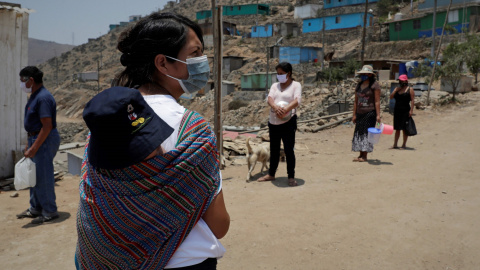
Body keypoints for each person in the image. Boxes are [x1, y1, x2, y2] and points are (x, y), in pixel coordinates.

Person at [76, 13, 230, 270]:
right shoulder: (194, 131)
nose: (203, 62)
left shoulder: (108, 121)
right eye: (195, 53)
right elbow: (219, 225)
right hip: (187, 263)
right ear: (163, 63)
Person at [16, 66, 61, 224]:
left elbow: (47, 126)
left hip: (44, 139)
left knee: (43, 175)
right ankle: (35, 208)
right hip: (35, 138)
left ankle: (50, 211)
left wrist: (34, 147)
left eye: (22, 80)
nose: (21, 84)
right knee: (33, 174)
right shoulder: (34, 96)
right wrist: (29, 145)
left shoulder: (43, 98)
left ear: (31, 80)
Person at [257, 62, 301, 187]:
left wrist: (285, 109)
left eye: (281, 74)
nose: (279, 76)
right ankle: (271, 174)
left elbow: (297, 100)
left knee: (289, 150)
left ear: (289, 73)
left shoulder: (296, 85)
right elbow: (269, 98)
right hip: (274, 121)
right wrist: (276, 107)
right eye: (278, 74)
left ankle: (291, 177)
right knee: (274, 149)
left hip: (288, 122)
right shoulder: (275, 86)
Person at [351, 65, 381, 162]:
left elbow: (377, 101)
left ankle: (365, 155)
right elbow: (356, 101)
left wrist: (378, 115)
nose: (364, 75)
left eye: (366, 73)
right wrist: (354, 114)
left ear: (370, 75)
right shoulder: (359, 86)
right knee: (359, 133)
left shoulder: (374, 85)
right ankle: (360, 154)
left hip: (370, 112)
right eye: (362, 74)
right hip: (360, 113)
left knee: (366, 134)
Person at [389, 74, 415, 149]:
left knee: (404, 128)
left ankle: (404, 145)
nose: (400, 82)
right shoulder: (397, 89)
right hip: (397, 111)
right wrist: (395, 91)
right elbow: (391, 97)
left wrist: (411, 110)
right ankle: (395, 144)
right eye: (400, 81)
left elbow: (412, 100)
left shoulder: (410, 89)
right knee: (397, 128)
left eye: (402, 81)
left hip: (405, 111)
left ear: (406, 81)